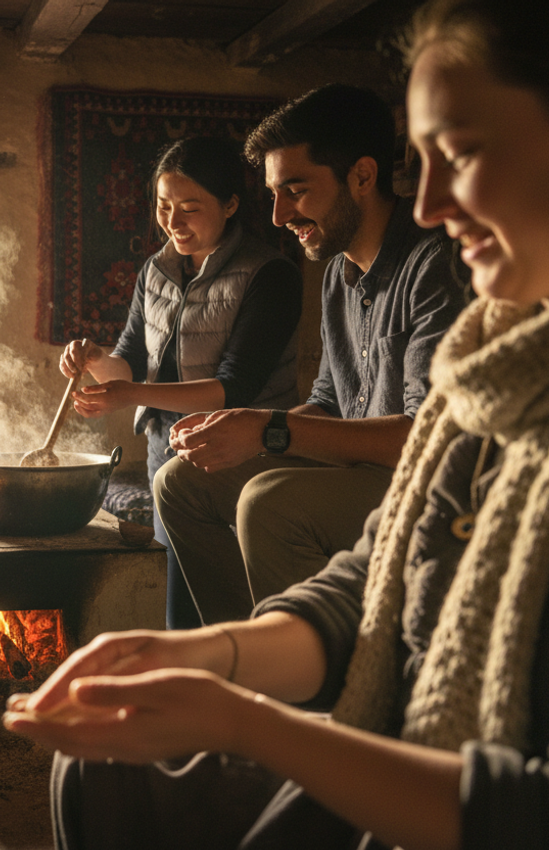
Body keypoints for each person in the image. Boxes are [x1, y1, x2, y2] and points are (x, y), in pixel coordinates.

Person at [4, 1, 549, 847]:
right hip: (352, 487)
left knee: (269, 500)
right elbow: (387, 560)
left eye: (460, 153)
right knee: (103, 763)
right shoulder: (492, 358)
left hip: (365, 511)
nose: (427, 201)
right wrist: (210, 662)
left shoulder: (405, 284)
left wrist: (249, 725)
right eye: (419, 161)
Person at [153, 83, 469, 625]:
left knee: (268, 502)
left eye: (295, 190)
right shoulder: (337, 273)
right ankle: (246, 649)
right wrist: (240, 427)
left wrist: (271, 430)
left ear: (363, 177)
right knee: (181, 481)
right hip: (359, 469)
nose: (278, 216)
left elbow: (428, 436)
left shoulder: (434, 264)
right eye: (275, 193)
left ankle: (311, 685)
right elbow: (328, 398)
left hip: (422, 483)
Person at [58, 135, 303, 629]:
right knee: (179, 592)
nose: (172, 222)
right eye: (164, 206)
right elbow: (130, 360)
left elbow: (234, 388)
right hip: (163, 446)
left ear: (231, 204)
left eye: (190, 208)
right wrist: (96, 361)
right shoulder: (156, 270)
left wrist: (128, 394)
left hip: (238, 451)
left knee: (234, 593)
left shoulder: (269, 274)